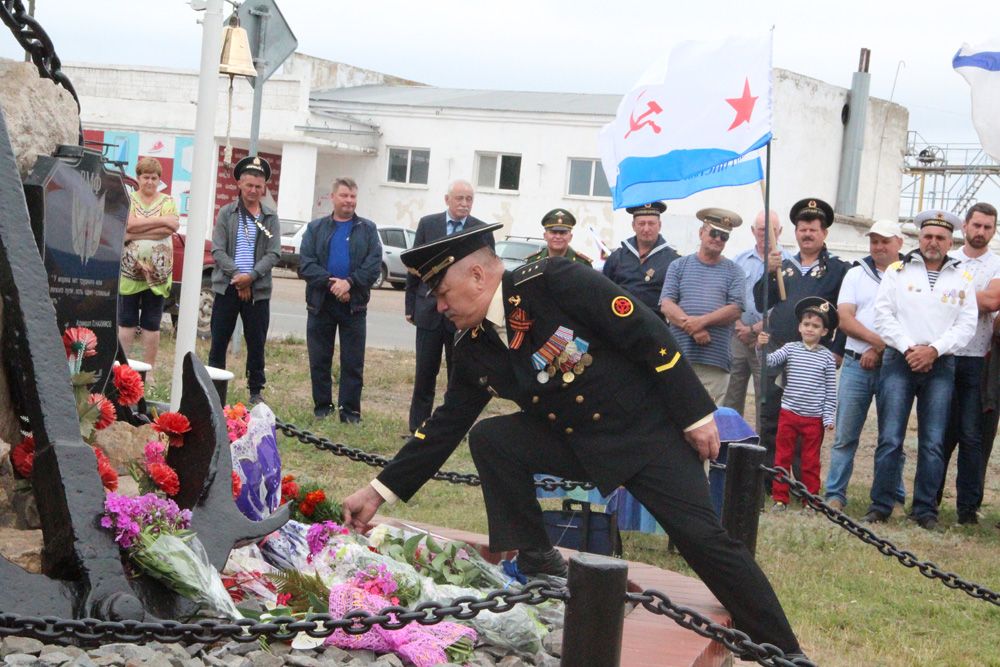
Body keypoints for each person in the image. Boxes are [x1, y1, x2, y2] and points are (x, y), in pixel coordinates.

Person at [343, 224, 807, 659]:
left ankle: (784, 653)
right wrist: (378, 490)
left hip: (644, 434)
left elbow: (645, 331)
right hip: (578, 445)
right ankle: (539, 559)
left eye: (443, 293)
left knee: (703, 541)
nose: (440, 307)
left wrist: (695, 413)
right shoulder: (474, 345)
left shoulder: (553, 280)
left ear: (478, 275)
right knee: (492, 438)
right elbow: (445, 425)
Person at [866, 210, 978, 529]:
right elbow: (883, 315)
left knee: (932, 441)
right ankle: (881, 505)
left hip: (940, 363)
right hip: (900, 359)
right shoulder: (897, 271)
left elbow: (966, 324)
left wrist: (933, 350)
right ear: (919, 238)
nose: (933, 242)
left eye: (940, 238)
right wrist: (909, 348)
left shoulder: (963, 277)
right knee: (890, 437)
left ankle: (925, 510)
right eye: (928, 236)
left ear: (950, 242)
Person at [754, 198, 850, 466]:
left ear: (824, 233)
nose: (807, 234)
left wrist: (837, 350)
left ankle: (800, 481)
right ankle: (770, 477)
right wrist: (769, 273)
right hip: (779, 353)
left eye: (813, 229)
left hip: (813, 358)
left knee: (805, 423)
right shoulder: (782, 266)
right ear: (795, 232)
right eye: (802, 229)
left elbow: (846, 313)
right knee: (771, 417)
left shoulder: (838, 270)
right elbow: (761, 301)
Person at [824, 220, 906, 513]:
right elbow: (845, 319)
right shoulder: (856, 274)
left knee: (892, 437)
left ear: (899, 242)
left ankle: (894, 495)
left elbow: (912, 320)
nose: (879, 247)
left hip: (896, 366)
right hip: (856, 364)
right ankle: (835, 494)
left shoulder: (910, 276)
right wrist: (877, 344)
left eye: (885, 241)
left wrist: (880, 350)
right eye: (874, 241)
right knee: (845, 434)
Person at [405, 180, 489, 433]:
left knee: (459, 375)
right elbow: (414, 268)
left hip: (462, 316)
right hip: (428, 312)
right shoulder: (428, 225)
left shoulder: (481, 230)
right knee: (424, 374)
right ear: (447, 199)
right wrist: (410, 305)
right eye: (459, 198)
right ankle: (418, 426)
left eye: (469, 199)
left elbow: (488, 275)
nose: (464, 203)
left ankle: (453, 427)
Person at [298, 177, 382, 423]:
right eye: (344, 196)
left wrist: (350, 283)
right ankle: (322, 408)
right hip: (321, 303)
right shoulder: (315, 229)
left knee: (353, 362)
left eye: (353, 196)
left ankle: (350, 412)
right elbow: (306, 264)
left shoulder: (367, 229)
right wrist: (332, 283)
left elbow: (373, 265)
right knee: (320, 359)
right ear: (333, 198)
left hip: (353, 304)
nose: (349, 201)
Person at [938, 202, 1000, 524]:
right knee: (938, 433)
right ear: (965, 226)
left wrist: (950, 291)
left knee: (972, 437)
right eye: (976, 225)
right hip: (944, 355)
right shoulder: (948, 258)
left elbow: (993, 301)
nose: (981, 232)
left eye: (988, 227)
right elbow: (982, 299)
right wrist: (971, 293)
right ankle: (929, 500)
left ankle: (967, 508)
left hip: (978, 360)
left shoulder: (997, 264)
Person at [208, 156, 281, 404]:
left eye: (258, 187)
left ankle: (255, 390)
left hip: (257, 290)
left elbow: (274, 253)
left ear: (264, 189)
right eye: (249, 185)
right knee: (219, 339)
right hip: (228, 286)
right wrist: (238, 276)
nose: (253, 191)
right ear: (239, 184)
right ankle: (214, 388)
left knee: (256, 341)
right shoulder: (227, 213)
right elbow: (217, 250)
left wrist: (251, 277)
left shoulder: (270, 217)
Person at [757, 297, 838, 511]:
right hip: (789, 413)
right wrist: (761, 347)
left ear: (825, 332)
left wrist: (828, 416)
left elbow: (831, 390)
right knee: (782, 456)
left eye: (816, 326)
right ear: (799, 327)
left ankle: (810, 499)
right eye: (806, 324)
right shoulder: (790, 349)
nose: (810, 329)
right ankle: (780, 498)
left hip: (813, 418)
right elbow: (768, 362)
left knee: (810, 460)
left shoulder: (827, 358)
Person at [659, 208, 745, 403]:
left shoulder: (735, 271)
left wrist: (700, 322)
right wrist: (694, 329)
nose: (717, 239)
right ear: (701, 232)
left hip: (715, 362)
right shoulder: (678, 266)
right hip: (679, 356)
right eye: (713, 233)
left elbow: (735, 309)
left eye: (724, 236)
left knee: (711, 419)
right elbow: (667, 305)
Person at [722, 210, 792, 418]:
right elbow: (728, 296)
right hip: (738, 337)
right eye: (762, 230)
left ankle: (762, 448)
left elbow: (785, 306)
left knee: (766, 397)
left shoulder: (788, 264)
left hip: (768, 340)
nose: (767, 234)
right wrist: (740, 327)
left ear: (780, 231)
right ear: (753, 231)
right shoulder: (738, 261)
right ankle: (732, 445)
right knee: (731, 397)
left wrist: (755, 330)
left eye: (772, 230)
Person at [118, 157, 179, 368]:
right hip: (129, 273)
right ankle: (123, 369)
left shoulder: (168, 201)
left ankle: (148, 372)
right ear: (138, 178)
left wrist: (137, 231)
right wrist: (160, 221)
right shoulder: (129, 200)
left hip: (158, 274)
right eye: (146, 177)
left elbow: (170, 227)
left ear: (159, 179)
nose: (150, 182)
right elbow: (127, 225)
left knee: (151, 323)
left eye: (154, 178)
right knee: (126, 321)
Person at [602, 201, 679, 317]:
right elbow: (603, 292)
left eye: (651, 223)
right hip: (618, 325)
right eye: (641, 224)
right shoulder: (617, 257)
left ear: (660, 225)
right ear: (633, 226)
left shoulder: (673, 261)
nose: (646, 229)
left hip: (654, 329)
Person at [523, 208, 592, 266]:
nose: (558, 236)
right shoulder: (533, 261)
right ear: (545, 236)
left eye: (563, 233)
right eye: (553, 232)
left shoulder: (582, 263)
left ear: (570, 237)